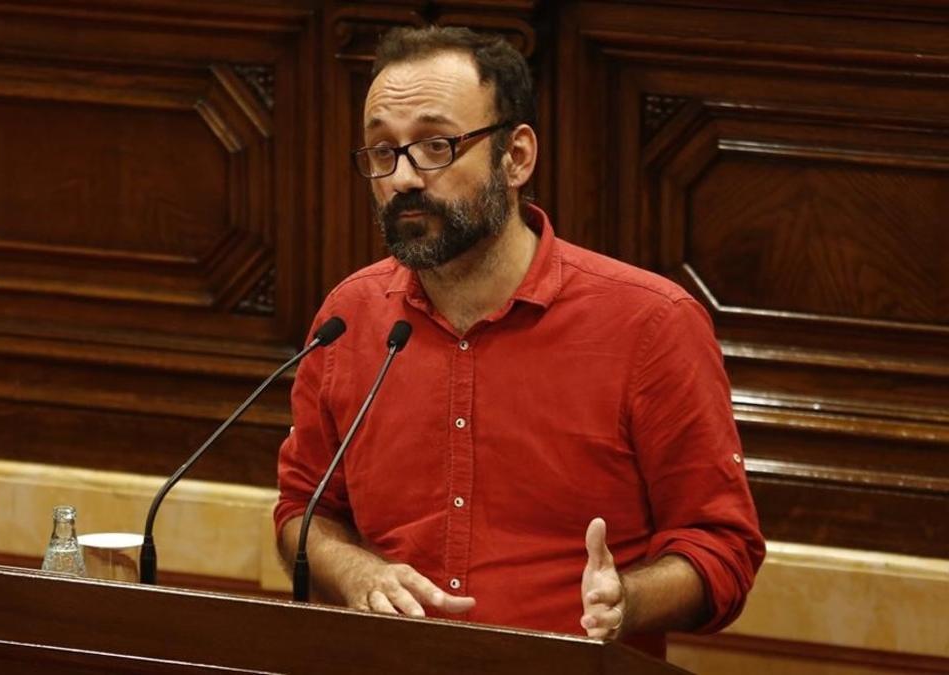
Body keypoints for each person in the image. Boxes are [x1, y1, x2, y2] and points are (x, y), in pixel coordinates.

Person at [274, 25, 764, 658]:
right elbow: (300, 516)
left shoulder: (650, 324)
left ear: (517, 157)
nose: (401, 179)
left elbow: (722, 548)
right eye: (381, 152)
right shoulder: (349, 319)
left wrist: (629, 600)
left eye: (434, 146)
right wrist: (356, 572)